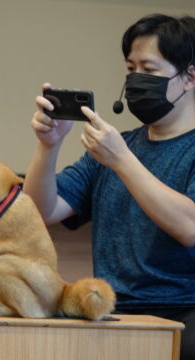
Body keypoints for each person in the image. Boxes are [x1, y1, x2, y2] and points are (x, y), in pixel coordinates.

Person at [24, 14, 195, 360]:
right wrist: (49, 146)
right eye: (130, 69)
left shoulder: (119, 151)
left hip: (184, 312)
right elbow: (41, 210)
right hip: (108, 308)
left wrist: (122, 160)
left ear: (189, 77)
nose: (135, 80)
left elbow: (189, 227)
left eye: (149, 68)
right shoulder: (118, 145)